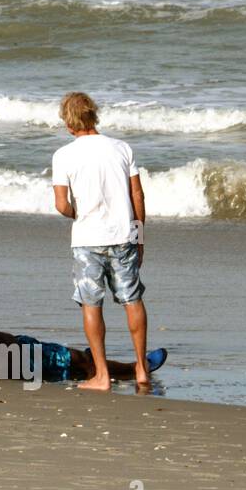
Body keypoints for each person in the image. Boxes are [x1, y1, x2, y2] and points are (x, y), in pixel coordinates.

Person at [51, 92, 149, 391]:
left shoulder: (64, 155)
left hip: (87, 239)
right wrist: (139, 236)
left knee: (92, 305)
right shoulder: (121, 148)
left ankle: (102, 375)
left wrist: (77, 213)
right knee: (132, 300)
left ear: (69, 123)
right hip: (124, 235)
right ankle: (142, 370)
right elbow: (137, 195)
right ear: (94, 115)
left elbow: (61, 204)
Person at [0, 324, 168, 384]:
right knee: (81, 363)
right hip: (29, 361)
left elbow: (11, 343)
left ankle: (122, 369)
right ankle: (132, 369)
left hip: (28, 356)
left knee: (78, 365)